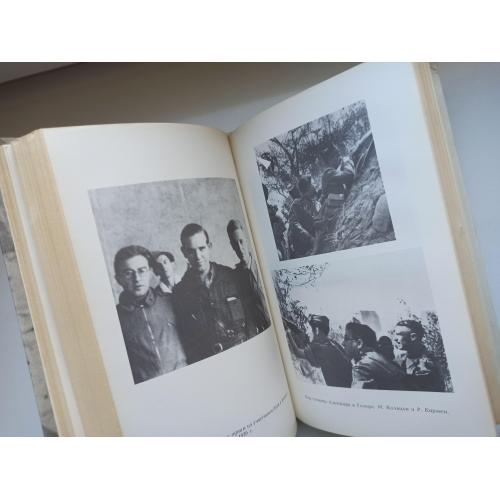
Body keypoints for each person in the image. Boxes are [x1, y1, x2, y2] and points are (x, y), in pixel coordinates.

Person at [173, 223, 250, 364]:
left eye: (202, 248)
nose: (198, 256)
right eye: (191, 251)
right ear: (184, 252)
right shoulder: (180, 293)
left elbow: (250, 319)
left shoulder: (232, 277)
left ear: (209, 246)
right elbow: (186, 341)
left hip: (243, 354)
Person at [114, 245, 186, 384]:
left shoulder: (171, 301)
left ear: (150, 272)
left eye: (142, 271)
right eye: (128, 273)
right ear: (118, 279)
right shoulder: (115, 319)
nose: (137, 278)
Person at [226, 219, 270, 335]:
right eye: (235, 244)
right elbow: (244, 313)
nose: (240, 248)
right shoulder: (235, 277)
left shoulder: (263, 266)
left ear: (246, 240)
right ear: (232, 246)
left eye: (241, 241)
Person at [287, 314, 352, 388]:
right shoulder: (332, 343)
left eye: (312, 330)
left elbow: (297, 353)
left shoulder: (324, 350)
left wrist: (287, 332)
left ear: (317, 331)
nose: (310, 333)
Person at [342, 322, 405, 390]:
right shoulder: (383, 359)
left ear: (359, 343)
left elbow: (358, 395)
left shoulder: (361, 367)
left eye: (346, 339)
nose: (343, 343)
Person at [393, 320, 445, 392]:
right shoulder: (399, 359)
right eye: (395, 334)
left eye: (399, 334)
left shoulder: (429, 364)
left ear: (413, 337)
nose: (395, 339)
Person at [287, 176, 318, 258]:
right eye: (312, 185)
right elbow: (294, 225)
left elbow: (313, 221)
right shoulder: (297, 203)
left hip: (312, 242)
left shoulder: (311, 202)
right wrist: (310, 238)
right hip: (302, 249)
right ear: (308, 187)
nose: (314, 186)